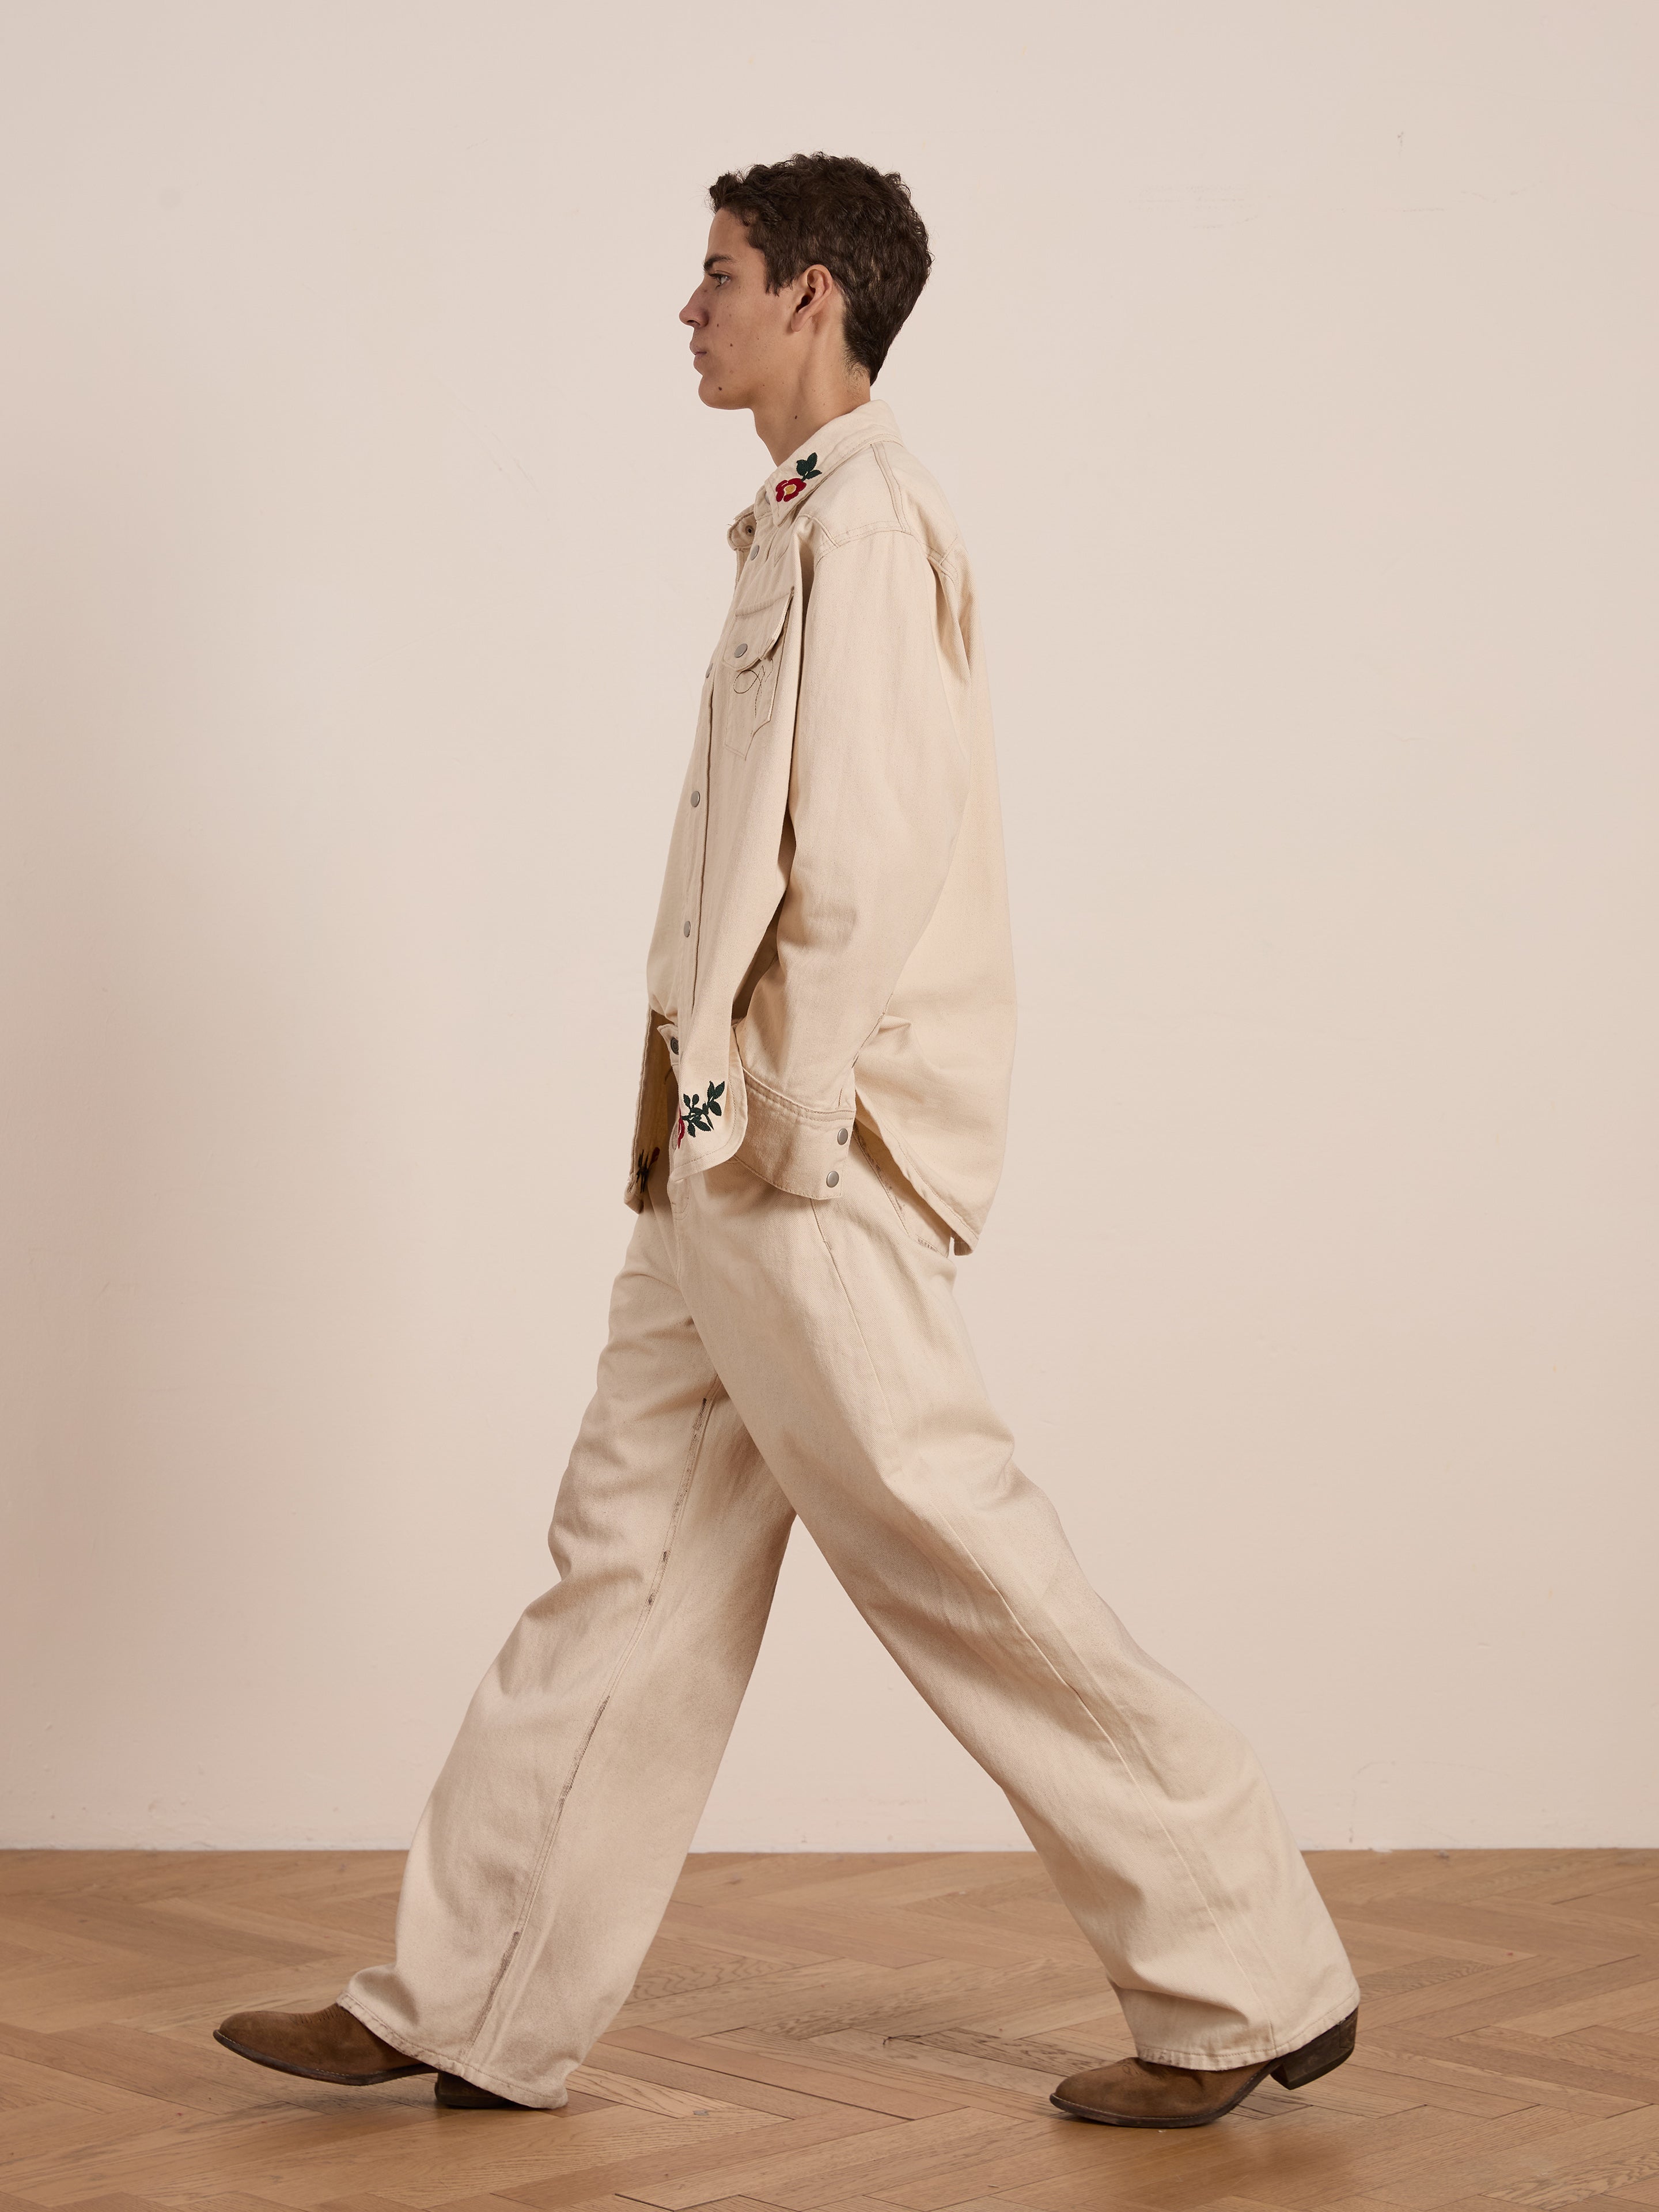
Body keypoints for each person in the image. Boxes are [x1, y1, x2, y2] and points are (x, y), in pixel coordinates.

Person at [215, 152, 1359, 2128]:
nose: (692, 306)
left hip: (794, 1159)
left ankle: (1246, 1973)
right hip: (710, 1155)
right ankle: (471, 1997)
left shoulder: (875, 532)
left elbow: (872, 856)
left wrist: (802, 1127)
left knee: (953, 1553)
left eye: (723, 274)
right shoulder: (792, 527)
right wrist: (708, 1129)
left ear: (816, 297)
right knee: (622, 1568)